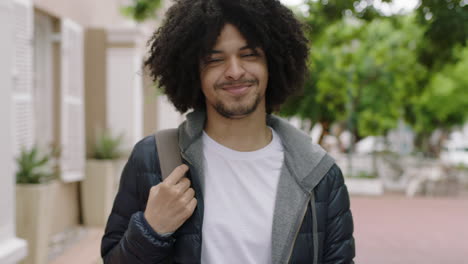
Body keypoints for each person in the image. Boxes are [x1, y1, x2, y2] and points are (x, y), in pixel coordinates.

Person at [101, 0, 355, 263]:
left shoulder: (319, 174)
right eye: (215, 59)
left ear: (273, 63)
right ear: (193, 72)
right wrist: (151, 231)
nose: (234, 71)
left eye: (249, 55)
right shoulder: (153, 158)